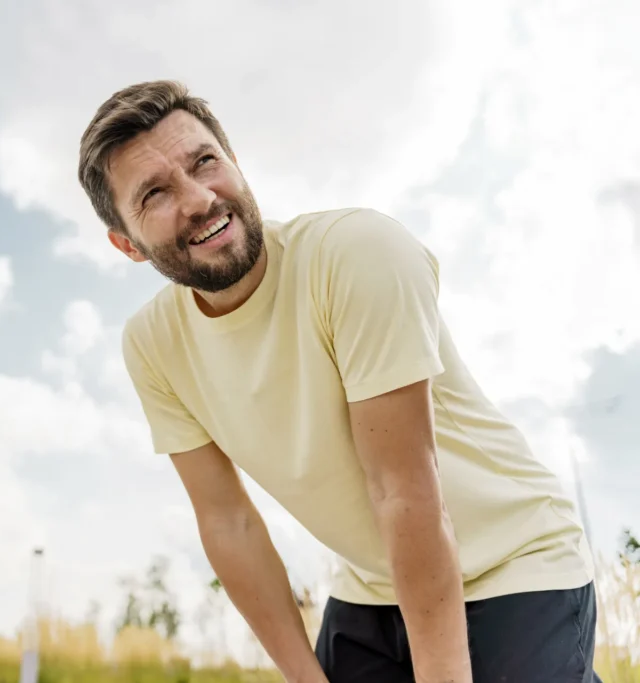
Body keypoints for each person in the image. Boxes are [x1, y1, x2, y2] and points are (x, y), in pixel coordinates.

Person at [76, 80, 602, 683]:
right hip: (374, 587)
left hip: (515, 562)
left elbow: (402, 487)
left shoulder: (358, 253)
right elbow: (230, 523)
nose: (198, 200)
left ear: (236, 163)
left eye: (205, 162)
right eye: (155, 194)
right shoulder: (152, 346)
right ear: (126, 244)